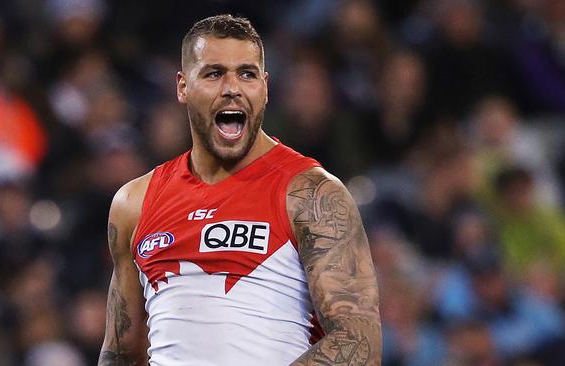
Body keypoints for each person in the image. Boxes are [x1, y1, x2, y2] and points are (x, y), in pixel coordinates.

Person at [97, 14, 381, 366]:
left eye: (246, 74)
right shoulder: (133, 204)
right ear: (183, 87)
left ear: (264, 87)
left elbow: (358, 344)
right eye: (214, 73)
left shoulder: (311, 195)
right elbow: (120, 355)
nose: (232, 87)